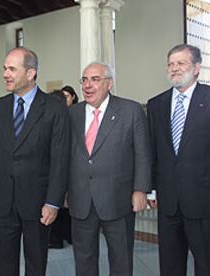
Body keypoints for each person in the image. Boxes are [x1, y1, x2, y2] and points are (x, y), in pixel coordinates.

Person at [147, 44, 210, 276]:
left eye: (181, 63)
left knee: (208, 265)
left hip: (206, 200)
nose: (174, 68)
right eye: (170, 64)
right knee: (170, 266)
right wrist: (152, 189)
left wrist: (209, 167)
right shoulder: (156, 104)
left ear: (196, 68)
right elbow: (152, 151)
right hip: (169, 202)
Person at [0, 47, 70, 276]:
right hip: (3, 203)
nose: (5, 74)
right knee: (5, 265)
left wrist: (53, 202)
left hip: (38, 204)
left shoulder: (54, 108)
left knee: (36, 264)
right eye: (4, 68)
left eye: (12, 69)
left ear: (31, 73)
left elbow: (60, 160)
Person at [68, 62, 151, 276]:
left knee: (121, 259)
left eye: (95, 79)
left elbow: (143, 153)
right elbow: (63, 156)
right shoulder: (71, 114)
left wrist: (140, 190)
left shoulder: (130, 110)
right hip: (81, 199)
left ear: (109, 83)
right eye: (84, 80)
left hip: (118, 199)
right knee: (83, 259)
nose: (88, 85)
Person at [48, 88, 74, 249]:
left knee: (60, 206)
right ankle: (66, 237)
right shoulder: (65, 116)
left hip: (62, 172)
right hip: (63, 173)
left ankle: (58, 239)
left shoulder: (66, 118)